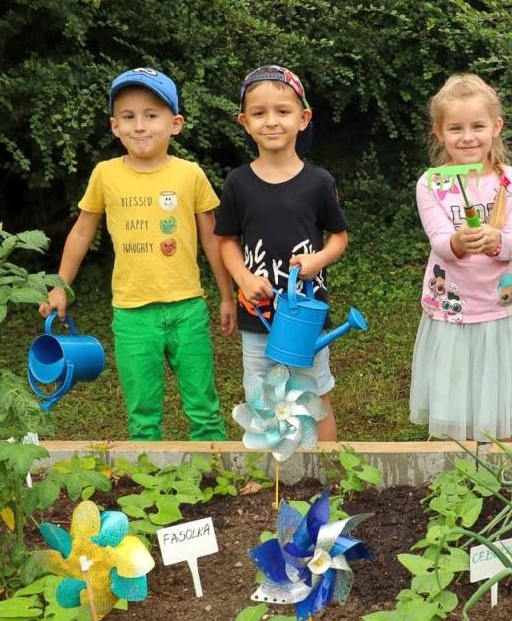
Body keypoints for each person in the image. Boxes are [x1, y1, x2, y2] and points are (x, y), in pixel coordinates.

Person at [41, 67, 232, 441]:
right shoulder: (105, 174)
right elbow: (82, 230)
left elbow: (212, 238)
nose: (139, 126)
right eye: (128, 117)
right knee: (143, 414)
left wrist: (227, 296)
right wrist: (60, 285)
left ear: (175, 124)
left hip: (187, 309)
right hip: (132, 314)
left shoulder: (190, 174)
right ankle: (149, 487)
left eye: (151, 115)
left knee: (204, 409)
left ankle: (218, 479)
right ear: (115, 127)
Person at [216, 65, 350, 439]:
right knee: (261, 399)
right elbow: (226, 240)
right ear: (245, 122)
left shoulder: (319, 182)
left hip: (305, 317)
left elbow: (339, 237)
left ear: (303, 118)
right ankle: (268, 479)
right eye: (259, 113)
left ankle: (326, 474)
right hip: (256, 315)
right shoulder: (238, 183)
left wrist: (317, 260)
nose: (271, 122)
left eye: (283, 111)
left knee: (314, 395)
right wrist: (243, 278)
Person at [409, 74, 512, 440]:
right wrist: (458, 240)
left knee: (498, 391)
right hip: (452, 308)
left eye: (478, 126)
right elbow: (439, 241)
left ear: (496, 127)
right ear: (439, 132)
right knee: (454, 392)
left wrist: (494, 240)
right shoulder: (432, 182)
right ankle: (458, 464)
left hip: (499, 306)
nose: (467, 137)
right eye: (455, 128)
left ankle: (497, 470)